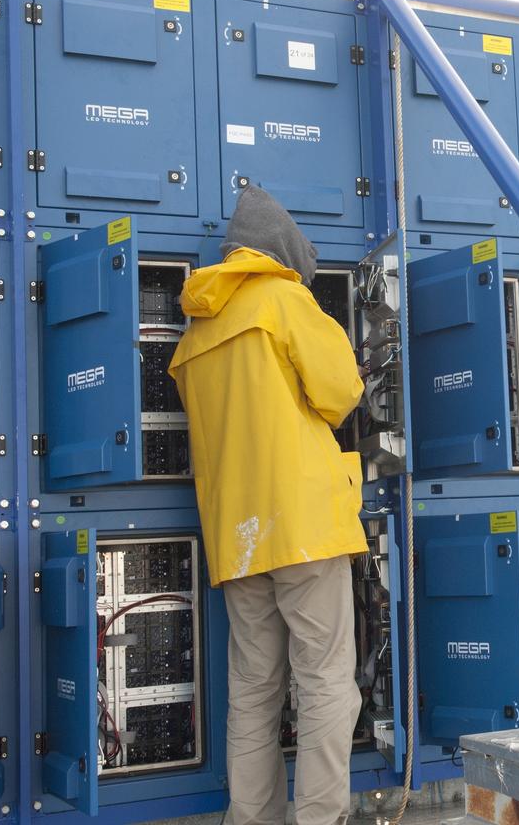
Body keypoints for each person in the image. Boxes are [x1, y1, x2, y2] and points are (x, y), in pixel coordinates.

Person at [169, 185, 366, 825]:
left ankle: (249, 818)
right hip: (304, 524)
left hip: (237, 535)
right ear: (284, 252)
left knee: (253, 691)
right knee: (326, 683)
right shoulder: (285, 299)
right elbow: (340, 393)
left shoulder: (197, 330)